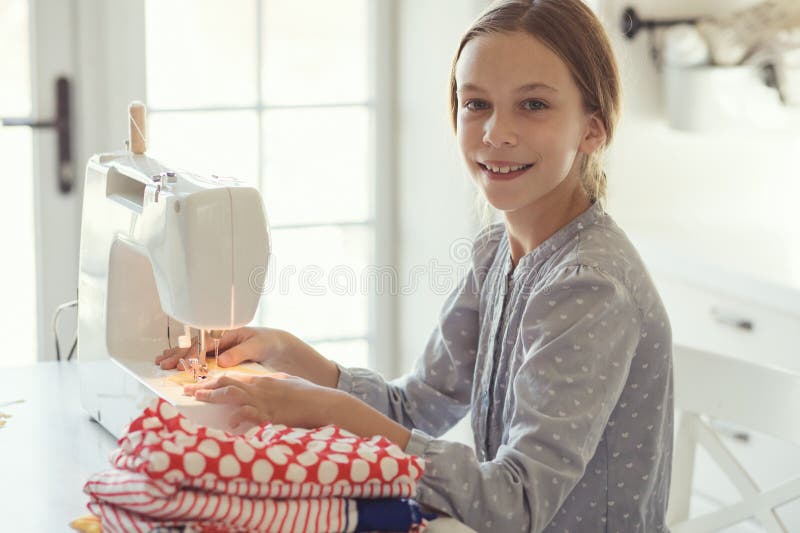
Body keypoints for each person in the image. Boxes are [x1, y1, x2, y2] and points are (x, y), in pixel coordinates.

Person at [156, 1, 673, 530]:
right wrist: (285, 352)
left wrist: (326, 409)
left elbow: (515, 504)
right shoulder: (497, 253)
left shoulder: (589, 286)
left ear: (593, 129)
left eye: (533, 105)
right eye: (476, 103)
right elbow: (415, 407)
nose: (496, 132)